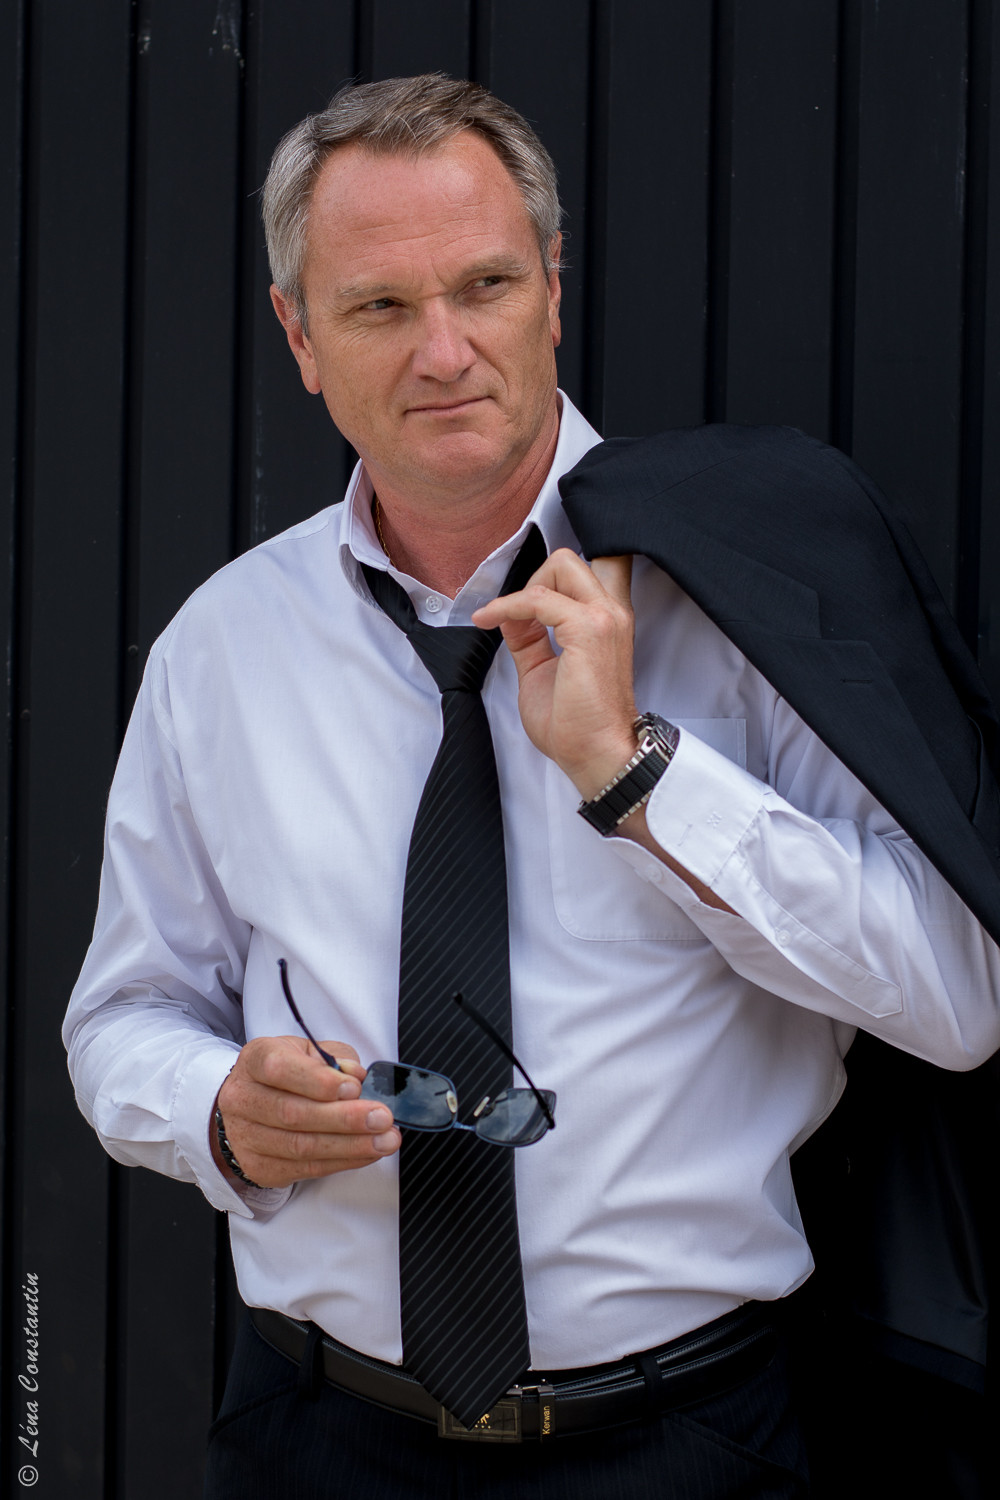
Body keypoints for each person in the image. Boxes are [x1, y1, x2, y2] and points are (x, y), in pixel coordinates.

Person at [64, 74, 1000, 1499]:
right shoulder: (222, 646)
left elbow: (958, 998)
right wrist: (215, 1109)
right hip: (315, 1438)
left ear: (552, 291)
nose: (445, 350)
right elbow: (123, 1016)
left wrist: (637, 774)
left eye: (486, 286)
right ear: (300, 337)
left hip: (693, 1446)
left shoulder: (749, 594)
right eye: (380, 306)